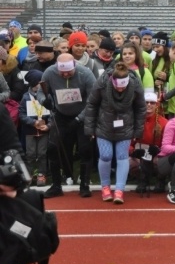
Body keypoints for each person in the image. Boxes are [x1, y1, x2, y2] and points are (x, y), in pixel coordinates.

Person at [84, 62, 146, 204]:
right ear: (112, 80)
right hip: (103, 126)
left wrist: (138, 130)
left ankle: (119, 190)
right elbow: (92, 104)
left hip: (126, 127)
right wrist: (90, 128)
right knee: (106, 156)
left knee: (122, 156)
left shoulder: (135, 84)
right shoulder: (102, 82)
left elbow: (140, 108)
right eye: (118, 86)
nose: (120, 89)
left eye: (123, 87)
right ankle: (105, 187)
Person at [39, 54, 97, 198]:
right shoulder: (49, 72)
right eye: (62, 72)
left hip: (82, 115)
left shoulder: (86, 74)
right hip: (61, 115)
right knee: (53, 148)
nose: (65, 74)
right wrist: (43, 100)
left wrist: (79, 118)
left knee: (85, 149)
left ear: (75, 66)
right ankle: (56, 185)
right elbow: (40, 90)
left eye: (68, 72)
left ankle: (84, 184)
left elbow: (93, 100)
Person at [129, 92, 168, 194]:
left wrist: (159, 151)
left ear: (157, 105)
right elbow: (127, 142)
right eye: (146, 102)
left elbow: (167, 144)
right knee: (127, 162)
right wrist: (133, 151)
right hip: (139, 154)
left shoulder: (164, 122)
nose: (149, 105)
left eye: (152, 102)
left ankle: (160, 180)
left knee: (162, 162)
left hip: (156, 155)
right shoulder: (134, 121)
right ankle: (142, 179)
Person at [20, 70, 49, 186]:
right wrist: (32, 122)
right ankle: (29, 174)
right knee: (30, 154)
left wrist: (49, 125)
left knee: (42, 153)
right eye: (39, 83)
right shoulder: (26, 97)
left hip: (44, 130)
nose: (42, 85)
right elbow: (21, 113)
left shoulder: (47, 96)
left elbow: (52, 112)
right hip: (30, 131)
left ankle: (42, 174)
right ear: (33, 84)